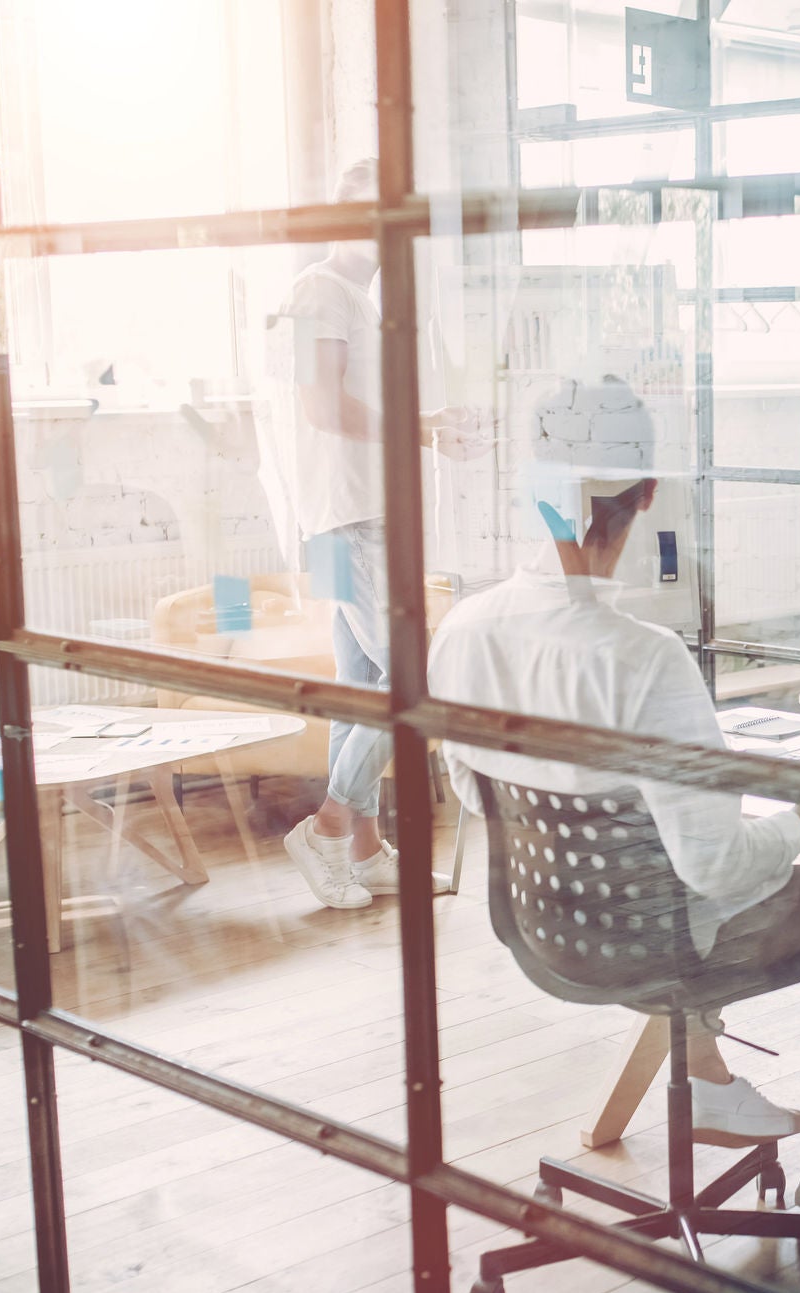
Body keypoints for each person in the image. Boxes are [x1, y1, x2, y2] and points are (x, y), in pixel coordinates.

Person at [430, 374, 800, 1213]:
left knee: (677, 879)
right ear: (648, 494)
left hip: (547, 932)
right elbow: (718, 868)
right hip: (663, 941)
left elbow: (477, 796)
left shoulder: (464, 628)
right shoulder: (645, 658)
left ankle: (709, 1074)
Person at [273, 159, 473, 910]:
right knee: (408, 684)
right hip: (346, 519)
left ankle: (361, 846)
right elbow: (322, 408)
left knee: (362, 687)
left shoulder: (355, 297)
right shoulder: (316, 294)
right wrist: (425, 432)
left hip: (351, 517)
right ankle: (327, 827)